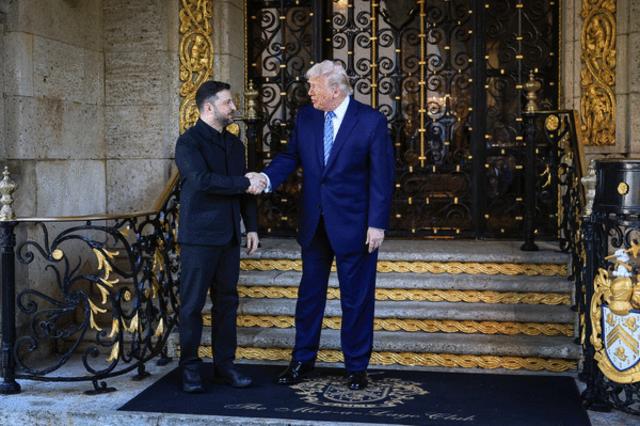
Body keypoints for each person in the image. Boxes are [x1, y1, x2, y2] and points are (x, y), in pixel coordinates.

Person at [248, 60, 395, 390]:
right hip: (314, 223)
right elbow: (290, 157)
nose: (309, 92)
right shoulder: (307, 117)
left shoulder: (370, 121)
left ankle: (356, 366)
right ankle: (302, 360)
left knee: (356, 299)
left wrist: (377, 223)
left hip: (355, 226)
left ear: (336, 90)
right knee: (309, 297)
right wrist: (266, 178)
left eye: (314, 87)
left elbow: (382, 176)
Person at [174, 80, 266, 393]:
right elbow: (202, 181)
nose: (234, 108)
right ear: (209, 107)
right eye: (228, 102)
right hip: (199, 237)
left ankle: (225, 366)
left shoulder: (235, 145)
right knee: (192, 306)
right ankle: (189, 369)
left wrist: (251, 227)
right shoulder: (188, 143)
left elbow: (246, 191)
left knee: (226, 304)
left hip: (228, 237)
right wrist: (243, 182)